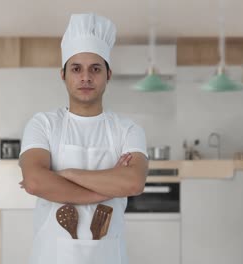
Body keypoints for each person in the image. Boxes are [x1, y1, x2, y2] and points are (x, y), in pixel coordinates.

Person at [19, 13, 148, 264]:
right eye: (76, 68)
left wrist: (65, 174)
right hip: (51, 256)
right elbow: (35, 182)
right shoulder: (43, 124)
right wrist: (107, 189)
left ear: (108, 75)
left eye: (95, 69)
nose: (85, 77)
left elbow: (133, 183)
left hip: (109, 256)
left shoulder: (128, 129)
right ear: (63, 74)